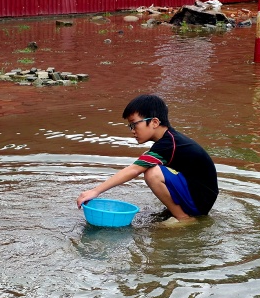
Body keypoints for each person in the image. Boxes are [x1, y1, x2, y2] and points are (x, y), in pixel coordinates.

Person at [76, 94, 217, 221]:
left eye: (134, 124)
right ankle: (178, 211)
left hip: (200, 202)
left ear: (154, 122)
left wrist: (95, 191)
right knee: (149, 164)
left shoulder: (169, 143)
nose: (132, 131)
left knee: (151, 172)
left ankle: (184, 218)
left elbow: (134, 170)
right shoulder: (169, 141)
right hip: (198, 196)